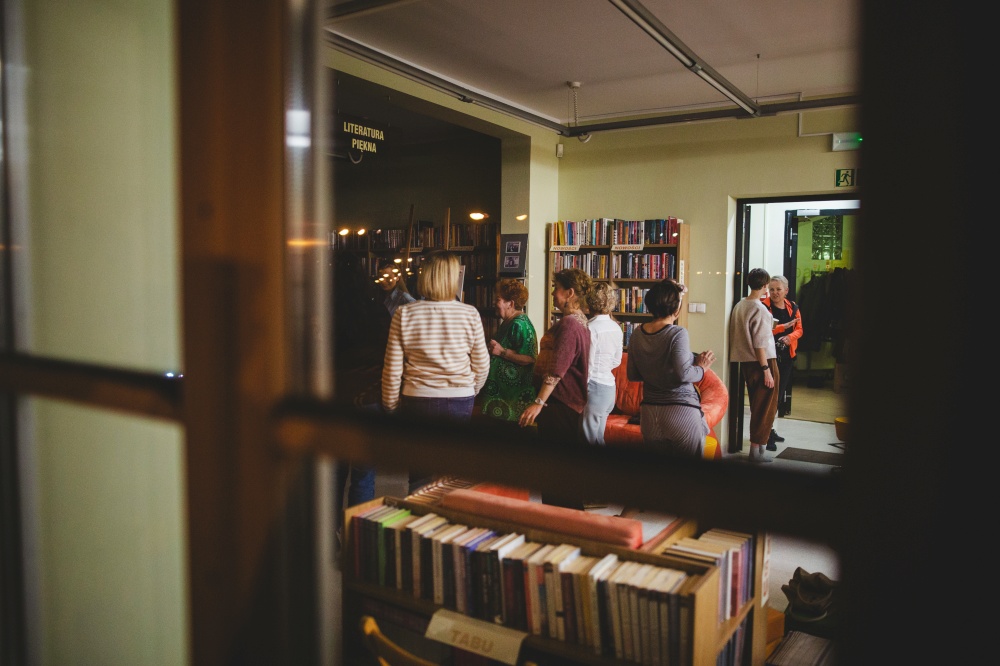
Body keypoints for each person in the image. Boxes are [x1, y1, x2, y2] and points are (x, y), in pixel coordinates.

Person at [381, 250, 490, 494]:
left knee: (420, 473)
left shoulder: (404, 313)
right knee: (454, 472)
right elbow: (482, 364)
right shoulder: (469, 313)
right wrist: (469, 389)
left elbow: (392, 368)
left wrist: (390, 405)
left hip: (417, 399)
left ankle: (421, 514)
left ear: (425, 276)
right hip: (460, 399)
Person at [518, 268, 592, 509]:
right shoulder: (580, 322)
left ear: (570, 293)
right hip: (567, 405)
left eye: (556, 288)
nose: (552, 293)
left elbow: (557, 369)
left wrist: (538, 403)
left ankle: (561, 519)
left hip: (559, 405)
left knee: (555, 472)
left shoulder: (570, 325)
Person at [626, 279, 715, 457]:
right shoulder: (677, 333)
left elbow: (632, 374)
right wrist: (701, 367)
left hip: (650, 415)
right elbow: (685, 374)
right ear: (676, 309)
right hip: (680, 411)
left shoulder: (636, 334)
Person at [729, 267, 780, 463]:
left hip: (746, 362)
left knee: (757, 406)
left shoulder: (740, 305)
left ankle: (756, 450)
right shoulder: (759, 309)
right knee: (766, 407)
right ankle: (757, 451)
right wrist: (766, 370)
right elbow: (759, 343)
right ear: (765, 285)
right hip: (762, 362)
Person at [481, 278, 538, 424]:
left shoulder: (520, 324)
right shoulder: (508, 322)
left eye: (498, 299)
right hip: (501, 398)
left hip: (512, 400)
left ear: (510, 304)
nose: (494, 303)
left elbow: (530, 358)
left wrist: (502, 352)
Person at [762, 275, 803, 449]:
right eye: (771, 289)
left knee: (778, 396)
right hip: (769, 357)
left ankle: (770, 430)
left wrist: (789, 337)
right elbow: (763, 331)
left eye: (778, 289)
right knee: (768, 396)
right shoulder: (764, 307)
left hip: (786, 357)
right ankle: (765, 434)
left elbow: (800, 330)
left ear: (786, 290)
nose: (775, 293)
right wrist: (781, 329)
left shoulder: (793, 307)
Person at [582, 282, 623, 446]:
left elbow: (588, 365)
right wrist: (604, 368)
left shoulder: (590, 328)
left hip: (594, 387)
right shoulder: (616, 328)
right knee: (599, 438)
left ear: (590, 302)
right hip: (609, 389)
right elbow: (617, 360)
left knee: (587, 439)